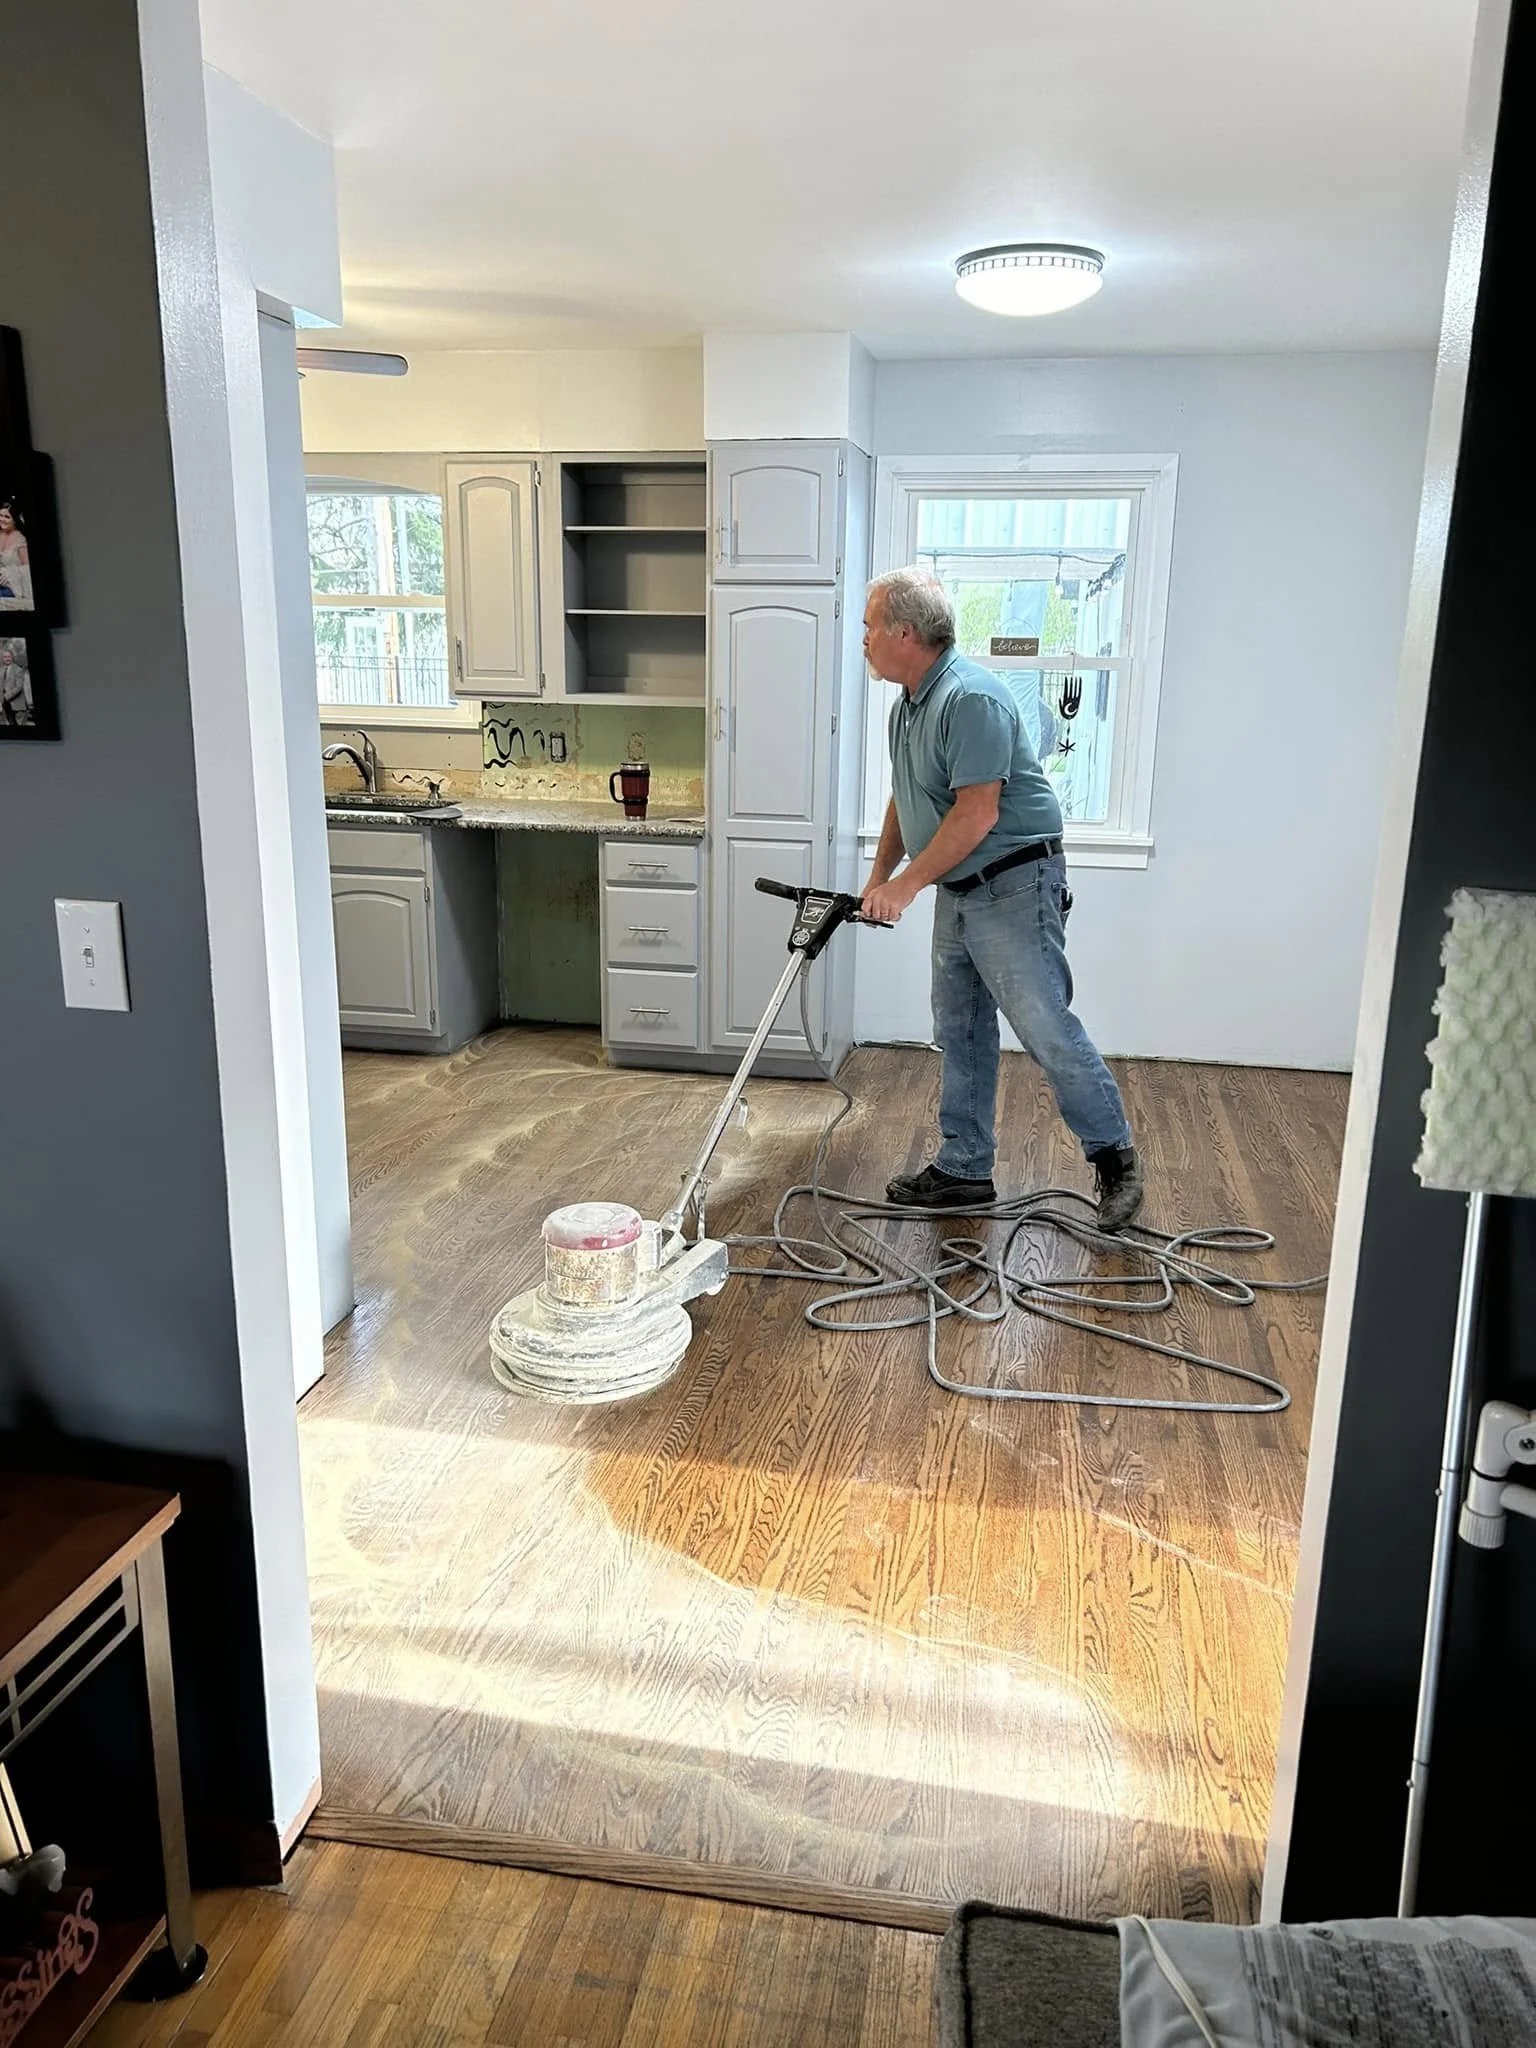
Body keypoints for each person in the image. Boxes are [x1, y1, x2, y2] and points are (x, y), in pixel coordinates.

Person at [860, 566, 1144, 1231]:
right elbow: (908, 798)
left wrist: (905, 886)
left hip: (1015, 882)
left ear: (906, 632)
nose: (864, 640)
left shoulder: (970, 700)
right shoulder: (908, 706)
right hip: (958, 888)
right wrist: (879, 877)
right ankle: (964, 1168)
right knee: (956, 1027)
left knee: (1042, 1023)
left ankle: (1115, 1161)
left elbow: (976, 815)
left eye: (871, 627)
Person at [0, 502, 31, 609]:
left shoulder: (21, 540)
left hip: (13, 585)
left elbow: (27, 570)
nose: (2, 519)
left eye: (7, 517)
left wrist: (9, 575)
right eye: (0, 515)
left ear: (15, 519)